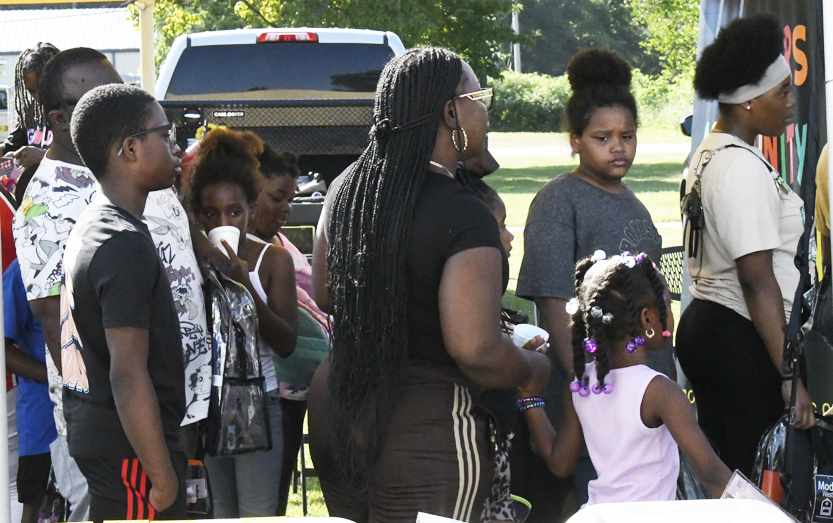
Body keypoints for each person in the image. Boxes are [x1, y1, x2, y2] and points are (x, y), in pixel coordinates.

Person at [307, 46, 550, 523]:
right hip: (425, 423)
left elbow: (325, 293)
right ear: (450, 112)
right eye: (480, 99)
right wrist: (530, 369)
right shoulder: (463, 212)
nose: (486, 112)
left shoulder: (345, 188)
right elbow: (474, 349)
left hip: (336, 404)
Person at [12, 47, 221, 520]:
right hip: (130, 432)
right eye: (163, 136)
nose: (174, 147)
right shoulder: (86, 222)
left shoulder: (123, 196)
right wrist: (156, 468)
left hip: (167, 411)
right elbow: (109, 363)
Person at [515, 48, 668, 511]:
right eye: (602, 138)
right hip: (596, 393)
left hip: (645, 390)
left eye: (627, 136)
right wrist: (590, 385)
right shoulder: (558, 201)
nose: (618, 147)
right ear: (575, 141)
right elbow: (553, 302)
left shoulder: (635, 203)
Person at [676, 14, 814, 479]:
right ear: (750, 102)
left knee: (737, 478)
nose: (791, 103)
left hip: (713, 327)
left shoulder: (709, 153)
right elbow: (756, 278)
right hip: (741, 337)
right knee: (760, 484)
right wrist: (789, 375)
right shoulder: (739, 167)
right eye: (782, 93)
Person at [63, 83, 185, 520]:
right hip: (131, 455)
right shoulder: (121, 242)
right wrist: (162, 477)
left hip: (111, 444)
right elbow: (128, 373)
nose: (176, 147)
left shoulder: (95, 225)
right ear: (130, 149)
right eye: (164, 135)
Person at [524, 252, 732, 505]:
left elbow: (560, 463)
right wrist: (765, 510)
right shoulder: (660, 392)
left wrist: (529, 398)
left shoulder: (580, 383)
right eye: (667, 305)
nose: (671, 314)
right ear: (647, 318)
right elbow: (712, 474)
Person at [190, 128, 298, 518]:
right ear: (198, 215)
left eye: (234, 212)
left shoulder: (273, 260)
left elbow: (286, 342)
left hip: (259, 403)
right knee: (219, 513)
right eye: (212, 213)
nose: (224, 221)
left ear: (251, 210)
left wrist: (243, 286)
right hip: (208, 403)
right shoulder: (191, 261)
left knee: (256, 512)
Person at [251, 145, 327, 515]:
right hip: (261, 396)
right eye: (276, 198)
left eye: (290, 200)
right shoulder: (238, 253)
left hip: (290, 395)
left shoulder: (282, 249)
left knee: (275, 498)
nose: (286, 209)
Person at [5, 255, 57, 523]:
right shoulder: (24, 267)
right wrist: (58, 377)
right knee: (36, 508)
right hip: (42, 420)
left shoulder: (103, 253)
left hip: (97, 417)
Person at [3, 43, 60, 168]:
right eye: (31, 91)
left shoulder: (75, 114)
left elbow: (89, 163)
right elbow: (8, 149)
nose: (39, 98)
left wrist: (43, 157)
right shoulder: (31, 114)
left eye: (43, 89)